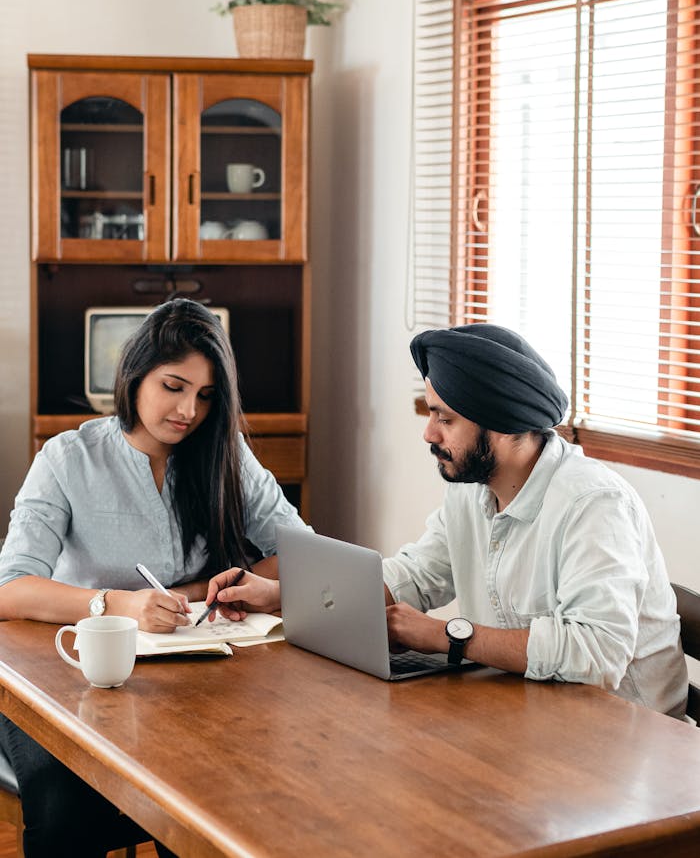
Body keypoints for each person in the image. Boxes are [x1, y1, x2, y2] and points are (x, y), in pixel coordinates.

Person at [0, 298, 308, 857]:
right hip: (71, 675)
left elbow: (300, 549)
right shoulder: (68, 458)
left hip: (195, 674)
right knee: (68, 815)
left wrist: (203, 590)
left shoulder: (223, 453)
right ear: (135, 374)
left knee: (217, 795)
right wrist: (118, 603)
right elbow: (11, 590)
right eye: (174, 386)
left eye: (206, 396)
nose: (189, 410)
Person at [383, 323, 688, 719]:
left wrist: (446, 636)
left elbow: (598, 652)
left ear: (502, 424)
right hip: (530, 715)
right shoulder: (471, 488)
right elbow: (416, 575)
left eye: (445, 419)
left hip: (625, 744)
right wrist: (288, 594)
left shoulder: (594, 504)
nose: (428, 434)